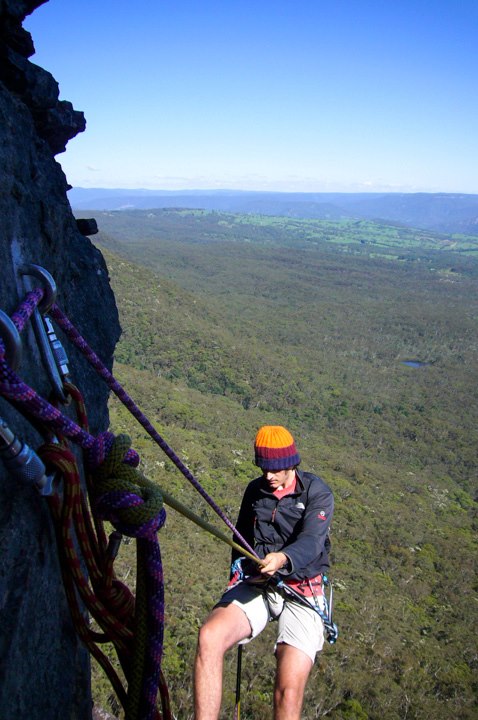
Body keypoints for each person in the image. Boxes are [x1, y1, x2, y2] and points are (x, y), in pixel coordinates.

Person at [193, 425, 334, 720]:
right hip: (260, 583)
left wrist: (282, 558)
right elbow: (240, 537)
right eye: (263, 468)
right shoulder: (255, 490)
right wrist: (236, 576)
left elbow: (312, 542)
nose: (268, 476)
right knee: (210, 637)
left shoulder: (316, 493)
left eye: (275, 469)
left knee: (288, 689)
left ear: (290, 464)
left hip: (303, 588)